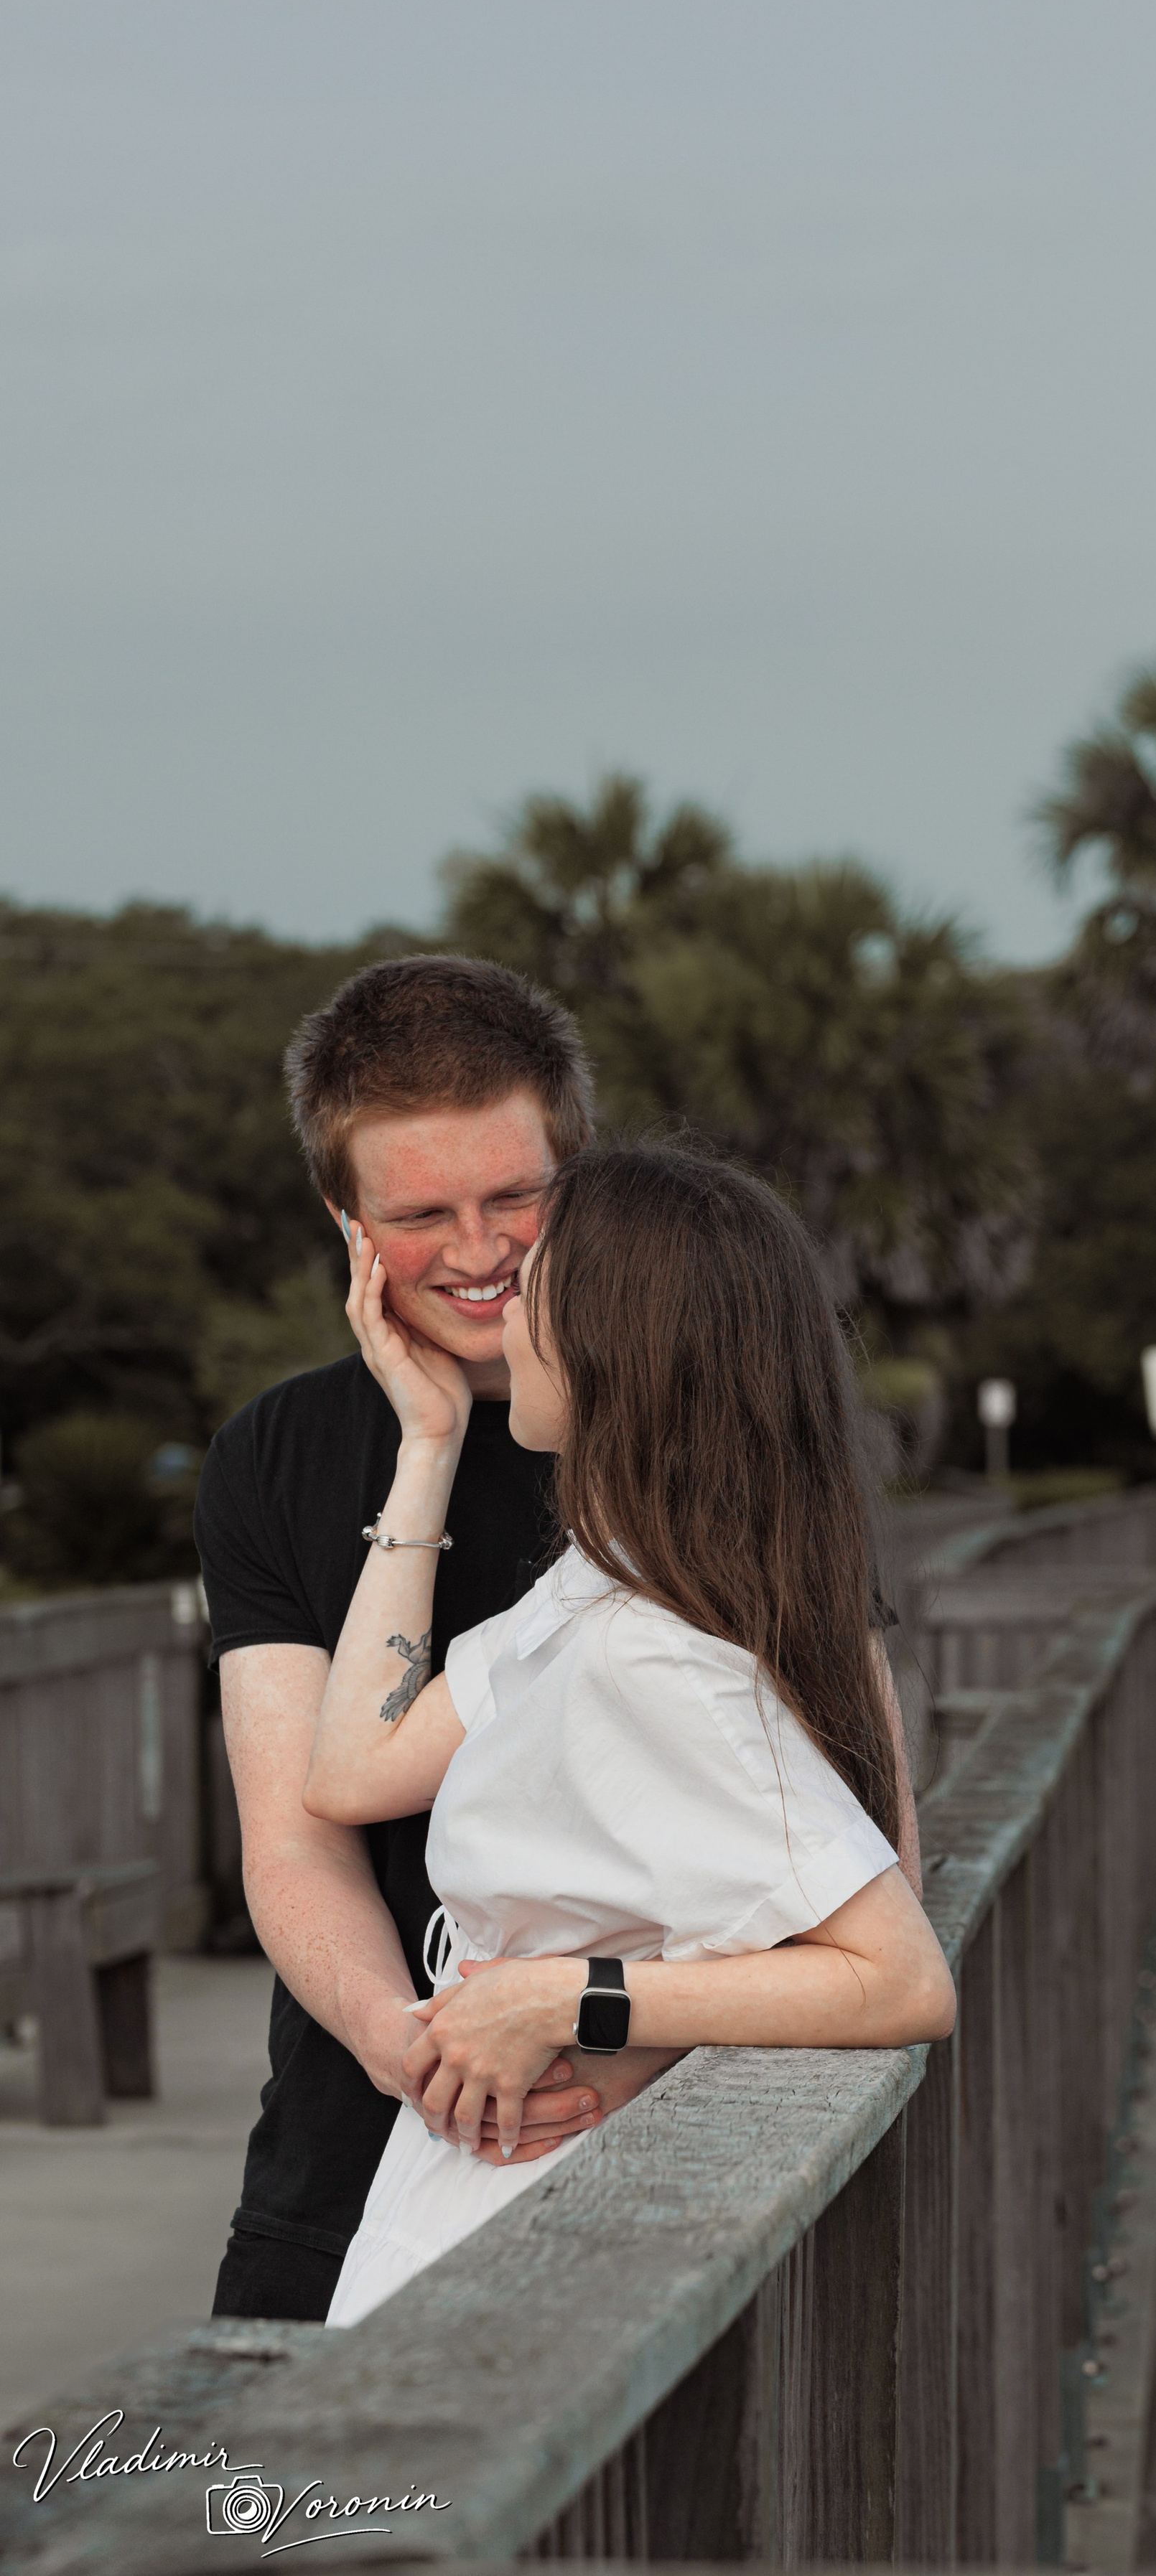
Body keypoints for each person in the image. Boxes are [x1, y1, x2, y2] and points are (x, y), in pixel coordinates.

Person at [197, 952, 922, 2323]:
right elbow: (308, 1818)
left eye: (515, 1197)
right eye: (421, 1211)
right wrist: (411, 2047)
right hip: (364, 2141)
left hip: (638, 2151)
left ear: (580, 1177)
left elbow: (862, 1832)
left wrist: (599, 2037)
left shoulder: (698, 1455)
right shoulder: (277, 1455)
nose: (478, 1253)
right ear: (344, 1217)